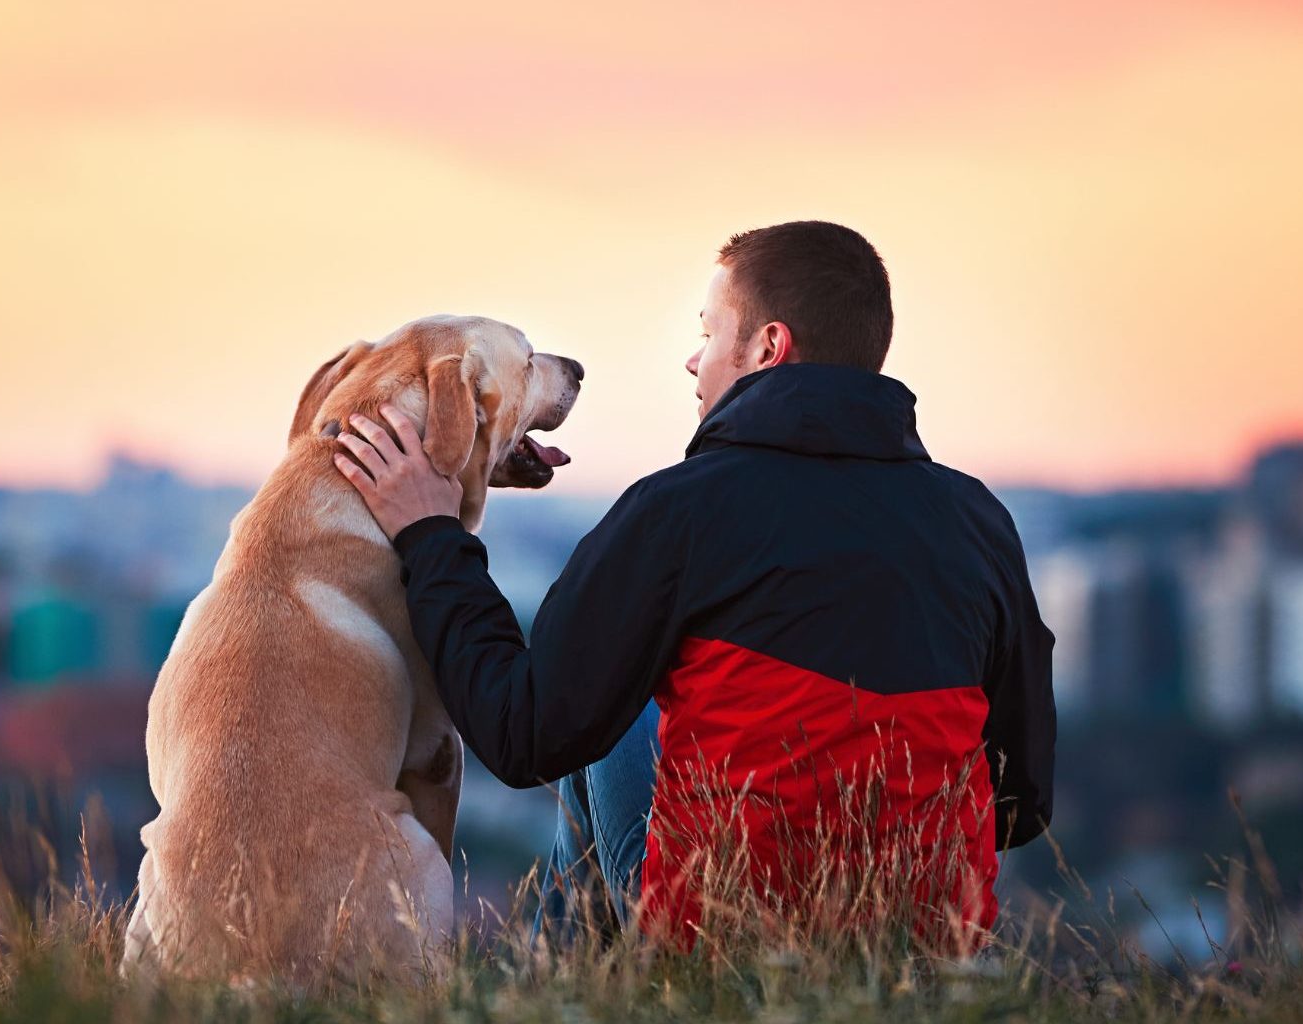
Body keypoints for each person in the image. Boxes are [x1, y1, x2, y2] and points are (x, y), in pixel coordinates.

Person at [331, 220, 1055, 948]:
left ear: (768, 348)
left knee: (603, 728)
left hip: (724, 940)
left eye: (709, 333)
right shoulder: (978, 523)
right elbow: (1021, 800)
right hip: (929, 947)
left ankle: (566, 997)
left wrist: (431, 535)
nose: (691, 360)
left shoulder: (678, 510)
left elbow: (522, 734)